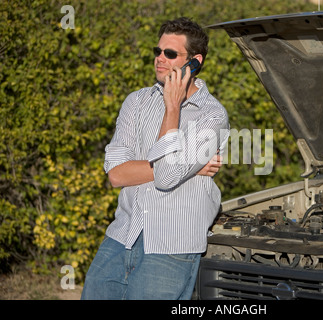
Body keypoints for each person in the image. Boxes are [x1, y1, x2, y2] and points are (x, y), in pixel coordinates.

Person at [81, 17, 229, 300]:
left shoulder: (212, 115)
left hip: (172, 245)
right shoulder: (136, 102)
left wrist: (172, 108)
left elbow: (167, 177)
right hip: (121, 235)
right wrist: (193, 169)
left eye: (170, 54)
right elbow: (116, 174)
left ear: (194, 62)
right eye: (158, 51)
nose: (160, 59)